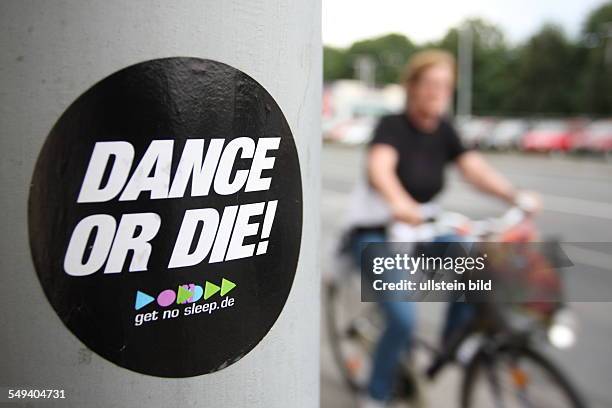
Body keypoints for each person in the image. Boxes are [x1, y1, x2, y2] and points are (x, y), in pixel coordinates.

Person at [349, 49, 540, 407]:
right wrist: (398, 202)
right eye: (431, 84)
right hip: (378, 232)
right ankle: (375, 394)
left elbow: (475, 170)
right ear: (412, 87)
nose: (439, 92)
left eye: (445, 86)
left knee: (476, 261)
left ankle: (453, 343)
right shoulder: (392, 126)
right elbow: (381, 168)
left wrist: (515, 197)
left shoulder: (445, 130)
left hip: (422, 230)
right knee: (403, 318)